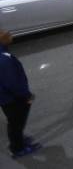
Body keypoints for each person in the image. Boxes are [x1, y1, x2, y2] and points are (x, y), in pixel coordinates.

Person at [0, 29, 40, 158]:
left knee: (14, 122)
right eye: (6, 34)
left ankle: (18, 140)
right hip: (12, 99)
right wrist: (27, 96)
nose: (9, 33)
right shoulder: (5, 60)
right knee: (16, 123)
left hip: (4, 97)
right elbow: (13, 84)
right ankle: (17, 148)